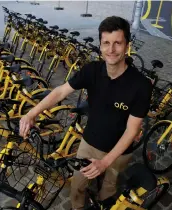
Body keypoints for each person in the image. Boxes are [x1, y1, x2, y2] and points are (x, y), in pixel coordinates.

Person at [19, 16, 152, 210]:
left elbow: (132, 131)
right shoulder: (92, 70)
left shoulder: (141, 85)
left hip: (120, 151)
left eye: (117, 43)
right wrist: (31, 114)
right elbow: (59, 92)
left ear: (127, 46)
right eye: (106, 43)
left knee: (108, 189)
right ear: (100, 45)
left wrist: (105, 162)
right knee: (77, 187)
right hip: (89, 143)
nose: (111, 49)